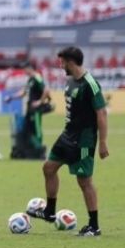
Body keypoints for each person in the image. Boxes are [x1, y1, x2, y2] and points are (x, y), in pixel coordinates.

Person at [38, 46, 110, 237]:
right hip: (67, 136)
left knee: (84, 180)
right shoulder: (70, 82)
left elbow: (101, 113)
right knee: (48, 168)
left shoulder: (90, 84)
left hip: (84, 139)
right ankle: (50, 212)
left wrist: (103, 142)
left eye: (62, 62)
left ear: (70, 61)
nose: (60, 65)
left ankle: (94, 226)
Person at [17, 61, 52, 159]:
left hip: (36, 110)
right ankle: (39, 149)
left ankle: (42, 152)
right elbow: (24, 92)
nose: (24, 70)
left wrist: (40, 102)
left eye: (25, 68)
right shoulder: (30, 80)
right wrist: (12, 97)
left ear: (30, 68)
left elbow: (46, 90)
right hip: (30, 109)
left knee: (37, 130)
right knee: (27, 131)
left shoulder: (37, 77)